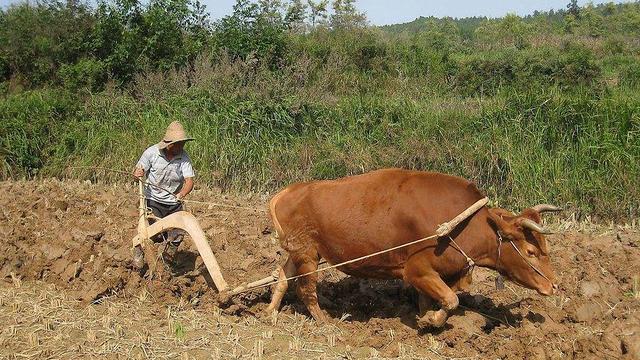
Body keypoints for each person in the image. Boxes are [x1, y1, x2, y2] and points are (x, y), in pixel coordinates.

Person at [132, 121, 195, 270]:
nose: (181, 147)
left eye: (182, 144)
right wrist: (138, 173)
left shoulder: (184, 157)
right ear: (169, 144)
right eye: (178, 144)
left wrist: (182, 193)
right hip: (153, 200)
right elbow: (138, 173)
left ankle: (166, 261)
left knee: (178, 233)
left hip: (174, 202)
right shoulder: (152, 153)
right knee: (153, 234)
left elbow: (189, 181)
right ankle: (139, 251)